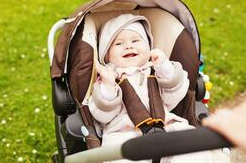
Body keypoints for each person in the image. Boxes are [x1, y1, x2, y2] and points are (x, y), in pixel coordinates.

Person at [87, 14, 230, 163]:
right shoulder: (107, 78)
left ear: (149, 47)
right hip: (125, 133)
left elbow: (172, 97)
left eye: (135, 40)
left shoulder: (156, 71)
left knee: (192, 147)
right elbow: (104, 116)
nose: (129, 46)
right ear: (106, 55)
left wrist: (164, 67)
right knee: (118, 157)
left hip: (167, 126)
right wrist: (109, 85)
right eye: (118, 44)